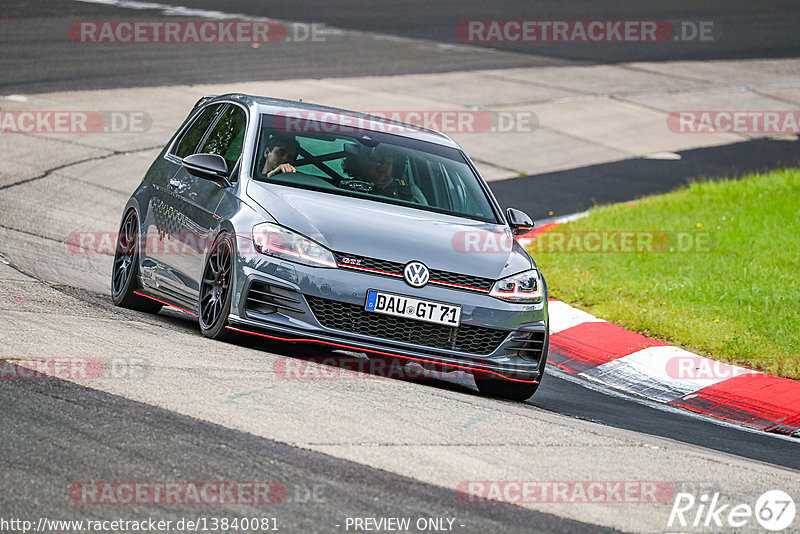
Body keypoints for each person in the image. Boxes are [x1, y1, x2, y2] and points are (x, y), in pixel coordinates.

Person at [343, 145, 427, 205]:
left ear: (395, 166)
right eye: (376, 159)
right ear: (360, 163)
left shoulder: (411, 191)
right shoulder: (343, 188)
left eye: (388, 161)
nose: (382, 165)